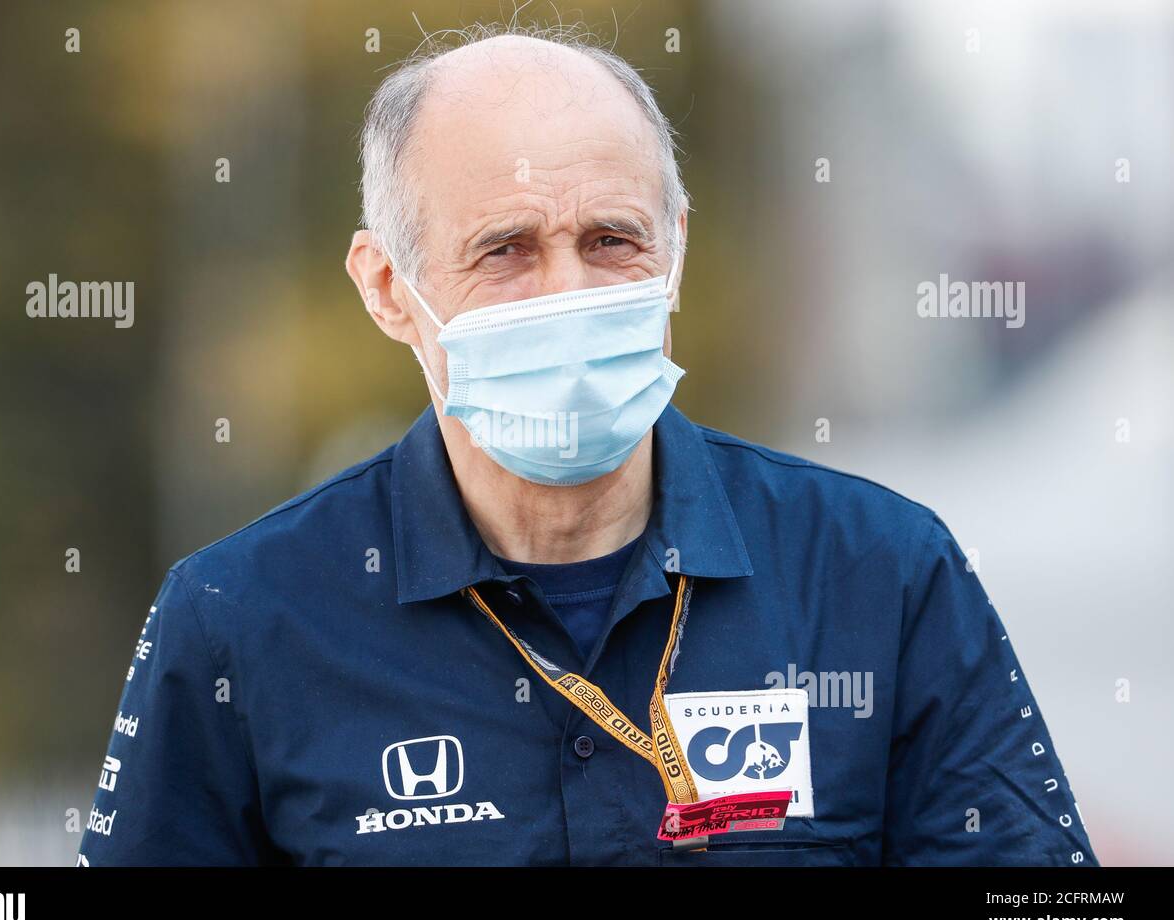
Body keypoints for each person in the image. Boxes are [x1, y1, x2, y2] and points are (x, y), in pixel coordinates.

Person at [77, 25, 1097, 866]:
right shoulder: (242, 619)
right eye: (505, 250)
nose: (566, 292)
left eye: (611, 241)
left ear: (675, 253)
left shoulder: (880, 573)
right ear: (387, 286)